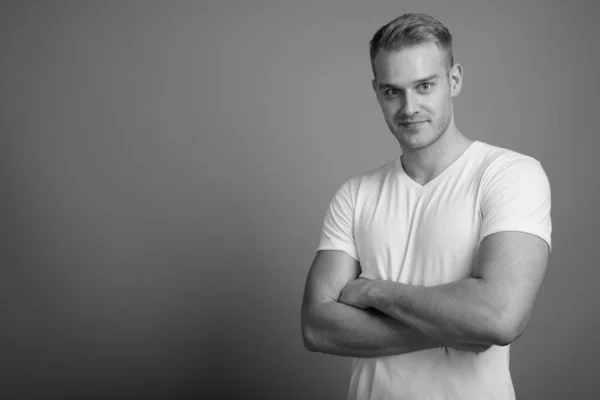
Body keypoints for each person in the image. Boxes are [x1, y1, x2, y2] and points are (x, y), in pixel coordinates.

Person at [300, 13, 552, 400]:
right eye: (392, 91)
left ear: (454, 81)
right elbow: (317, 328)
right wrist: (460, 329)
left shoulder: (508, 174)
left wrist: (375, 293)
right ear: (376, 91)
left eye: (424, 86)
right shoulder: (355, 194)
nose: (409, 106)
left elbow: (499, 317)